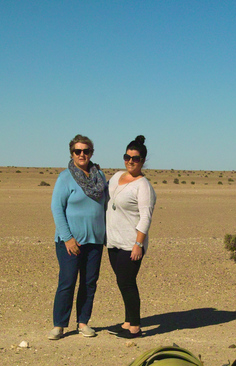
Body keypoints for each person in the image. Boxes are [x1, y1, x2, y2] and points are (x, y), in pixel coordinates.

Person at [49, 135, 107, 340]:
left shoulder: (100, 176)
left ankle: (83, 322)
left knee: (89, 283)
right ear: (71, 153)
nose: (82, 154)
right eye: (77, 151)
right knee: (67, 281)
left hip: (95, 241)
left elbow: (106, 206)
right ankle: (59, 325)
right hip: (70, 241)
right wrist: (68, 238)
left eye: (86, 151)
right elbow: (57, 208)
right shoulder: (65, 177)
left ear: (92, 152)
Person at [106, 135, 157, 338]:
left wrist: (138, 244)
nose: (130, 161)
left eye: (135, 158)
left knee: (128, 283)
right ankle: (127, 322)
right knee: (121, 281)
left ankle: (135, 327)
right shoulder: (117, 176)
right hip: (113, 241)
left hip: (130, 243)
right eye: (127, 157)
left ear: (142, 161)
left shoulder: (143, 186)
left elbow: (146, 217)